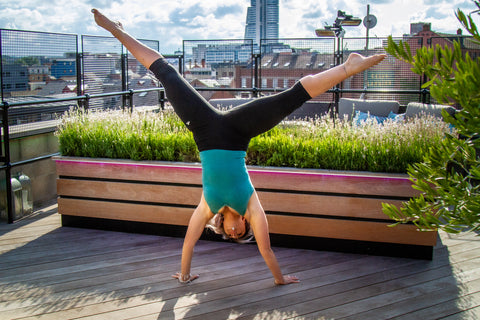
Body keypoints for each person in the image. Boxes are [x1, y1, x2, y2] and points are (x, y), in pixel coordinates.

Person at [91, 8, 386, 285]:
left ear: (223, 228)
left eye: (230, 235)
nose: (234, 233)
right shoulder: (251, 206)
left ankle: (116, 31)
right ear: (245, 223)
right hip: (237, 132)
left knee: (166, 73)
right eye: (240, 233)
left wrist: (184, 276)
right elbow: (266, 250)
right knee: (292, 98)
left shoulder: (208, 207)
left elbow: (188, 242)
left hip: (204, 130)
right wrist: (280, 279)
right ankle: (349, 67)